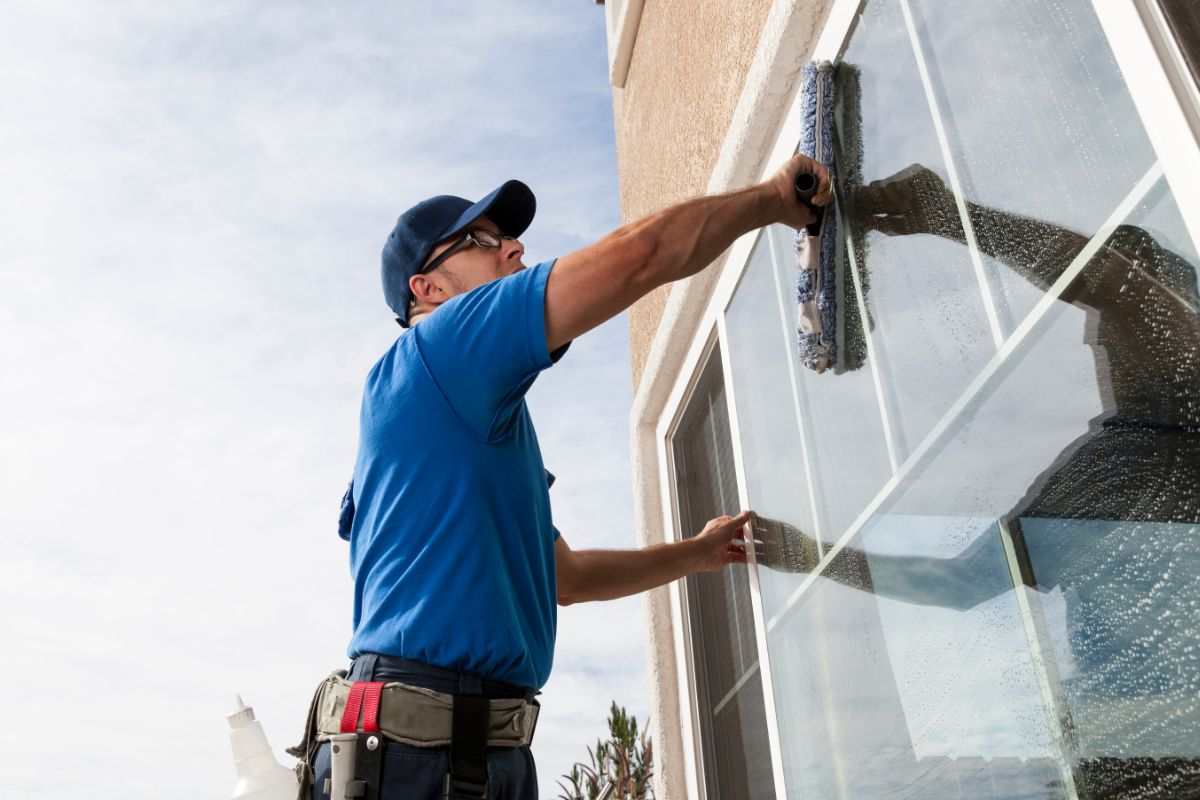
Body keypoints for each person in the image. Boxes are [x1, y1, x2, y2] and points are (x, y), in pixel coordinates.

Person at [306, 156, 831, 799]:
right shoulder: (440, 350)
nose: (513, 248)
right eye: (482, 242)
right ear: (428, 289)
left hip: (470, 751)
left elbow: (568, 578)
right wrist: (773, 199)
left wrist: (695, 554)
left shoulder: (471, 426)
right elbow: (643, 255)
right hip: (420, 755)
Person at [758, 163, 1200, 799]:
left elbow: (962, 582)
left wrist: (809, 557)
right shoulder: (1153, 451)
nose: (1093, 348)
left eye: (1104, 331)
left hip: (1140, 767)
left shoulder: (1128, 464)